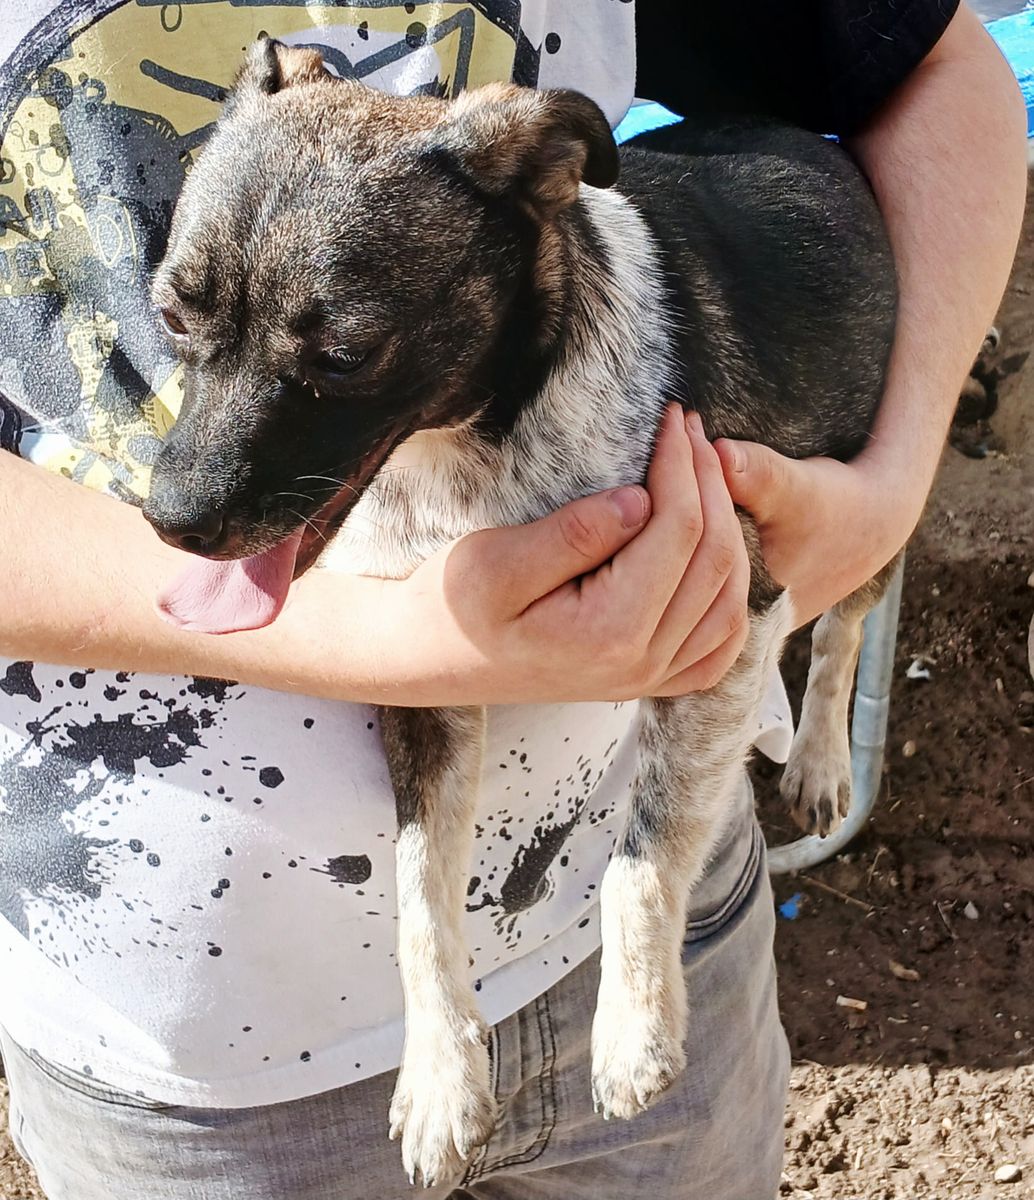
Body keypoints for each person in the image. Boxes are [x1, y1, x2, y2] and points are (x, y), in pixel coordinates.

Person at [0, 2, 1025, 1198]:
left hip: (663, 954)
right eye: (187, 321)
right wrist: (380, 640)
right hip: (180, 1055)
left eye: (335, 359)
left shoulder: (565, 270)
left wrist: (891, 483)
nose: (189, 489)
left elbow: (939, 67)